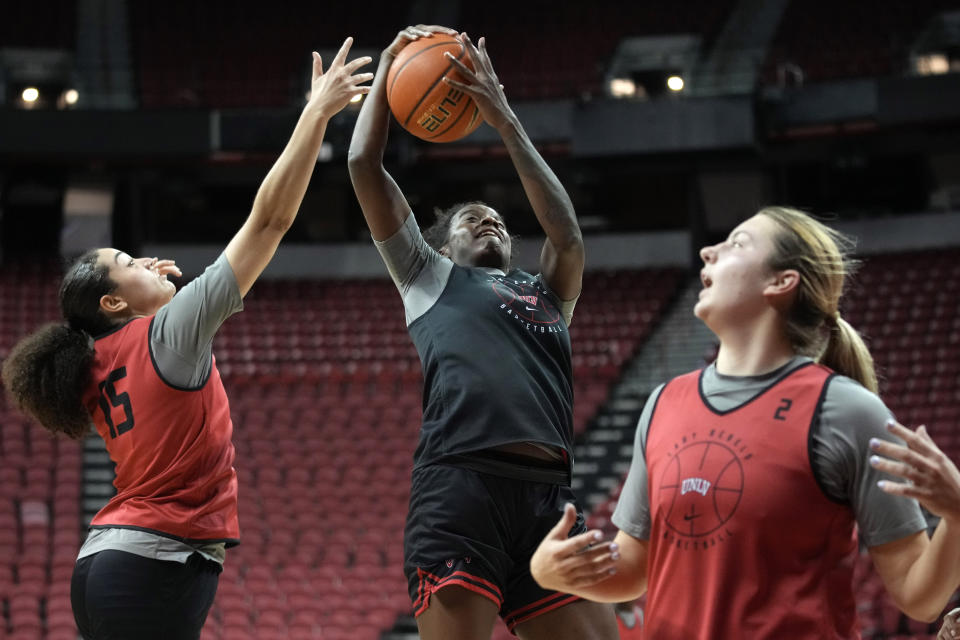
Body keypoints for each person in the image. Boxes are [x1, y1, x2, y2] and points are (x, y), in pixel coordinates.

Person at [1, 39, 372, 640]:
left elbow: (114, 317)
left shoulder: (91, 354)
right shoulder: (167, 333)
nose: (148, 261)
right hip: (153, 563)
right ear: (113, 303)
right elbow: (269, 222)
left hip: (107, 564)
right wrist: (317, 113)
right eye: (128, 258)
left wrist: (136, 282)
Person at [529, 206, 960, 638]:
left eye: (736, 243)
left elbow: (919, 597)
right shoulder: (663, 403)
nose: (707, 251)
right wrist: (555, 574)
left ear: (781, 282)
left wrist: (957, 514)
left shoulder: (849, 411)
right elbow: (633, 570)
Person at [347, 24, 617, 640]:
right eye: (473, 219)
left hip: (549, 497)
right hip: (460, 488)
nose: (490, 220)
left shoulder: (546, 291)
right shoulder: (425, 276)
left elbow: (567, 235)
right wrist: (389, 69)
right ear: (442, 245)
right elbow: (363, 163)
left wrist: (503, 119)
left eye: (497, 219)